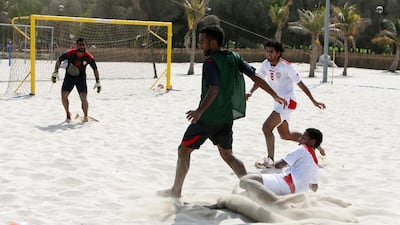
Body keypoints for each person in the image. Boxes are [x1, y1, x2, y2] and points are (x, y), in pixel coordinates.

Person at [159, 25, 287, 198]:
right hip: (226, 118)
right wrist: (275, 95)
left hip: (208, 119)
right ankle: (254, 190)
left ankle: (176, 191)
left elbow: (214, 89)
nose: (200, 45)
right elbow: (256, 77)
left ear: (213, 43)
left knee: (183, 150)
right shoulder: (234, 57)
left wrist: (199, 111)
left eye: (202, 41)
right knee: (228, 155)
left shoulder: (211, 62)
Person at [246, 40, 326, 168]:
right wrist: (250, 92)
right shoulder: (265, 64)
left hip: (288, 102)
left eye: (271, 51)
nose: (268, 54)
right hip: (277, 101)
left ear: (278, 53)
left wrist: (314, 101)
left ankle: (270, 160)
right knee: (285, 135)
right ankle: (316, 145)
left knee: (266, 127)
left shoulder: (286, 66)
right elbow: (259, 80)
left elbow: (301, 84)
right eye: (266, 51)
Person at [240, 128, 323, 197]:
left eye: (303, 138)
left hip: (286, 183)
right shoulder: (315, 163)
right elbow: (314, 187)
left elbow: (279, 165)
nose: (299, 139)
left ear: (312, 142)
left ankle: (266, 200)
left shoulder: (302, 148)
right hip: (296, 193)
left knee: (246, 180)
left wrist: (269, 163)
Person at [52, 38, 101, 122]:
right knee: (64, 96)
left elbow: (95, 69)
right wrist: (55, 72)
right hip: (69, 78)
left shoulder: (88, 57)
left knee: (83, 98)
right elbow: (59, 60)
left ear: (85, 45)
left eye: (83, 44)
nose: (81, 46)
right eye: (80, 44)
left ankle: (85, 116)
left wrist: (98, 82)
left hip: (81, 79)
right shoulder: (70, 53)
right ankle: (68, 113)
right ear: (77, 45)